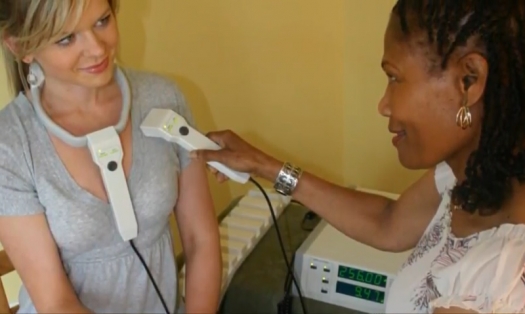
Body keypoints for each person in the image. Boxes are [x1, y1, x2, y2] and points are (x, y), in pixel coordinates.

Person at [192, 0, 525, 313]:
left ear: (470, 80)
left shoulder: (496, 281)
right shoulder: (474, 174)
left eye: (395, 78)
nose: (384, 104)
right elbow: (388, 221)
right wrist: (263, 165)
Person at [0, 0, 222, 313]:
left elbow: (201, 241)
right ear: (21, 46)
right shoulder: (10, 145)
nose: (97, 48)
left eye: (102, 21)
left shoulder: (164, 100)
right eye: (66, 39)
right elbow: (55, 301)